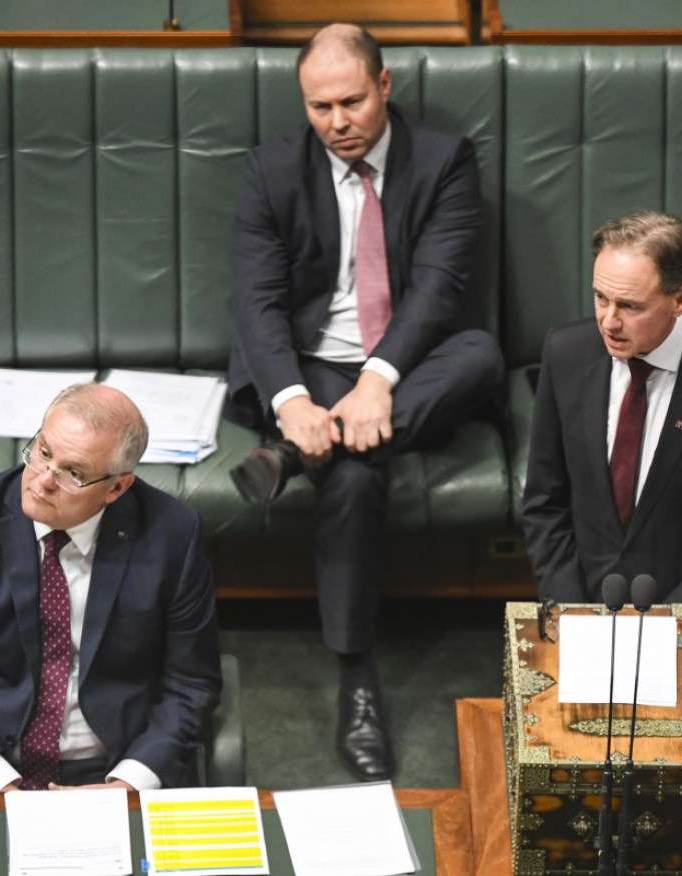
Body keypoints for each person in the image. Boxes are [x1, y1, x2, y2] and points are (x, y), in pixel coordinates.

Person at [223, 23, 503, 780]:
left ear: (384, 87)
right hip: (309, 365)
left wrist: (378, 379)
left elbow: (440, 287)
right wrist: (288, 403)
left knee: (480, 355)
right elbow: (256, 302)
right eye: (320, 107)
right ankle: (357, 679)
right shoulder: (270, 170)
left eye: (351, 101)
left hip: (406, 364)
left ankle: (294, 460)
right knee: (351, 477)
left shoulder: (444, 160)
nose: (337, 122)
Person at [0, 383, 222, 792]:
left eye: (73, 473)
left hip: (114, 765)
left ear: (117, 487)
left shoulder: (173, 535)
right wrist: (1, 786)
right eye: (43, 452)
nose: (42, 481)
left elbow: (191, 682)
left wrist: (127, 782)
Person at [521, 211, 682, 698]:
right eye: (600, 297)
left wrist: (666, 627)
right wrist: (574, 615)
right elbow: (544, 500)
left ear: (680, 297)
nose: (608, 320)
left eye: (630, 305)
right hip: (580, 630)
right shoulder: (566, 353)